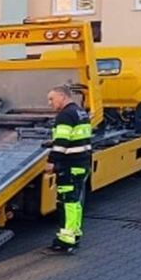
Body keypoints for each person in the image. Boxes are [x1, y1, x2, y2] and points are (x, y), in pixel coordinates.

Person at [44, 84, 93, 256]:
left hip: (70, 165)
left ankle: (66, 240)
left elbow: (62, 143)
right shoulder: (80, 112)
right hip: (81, 163)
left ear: (62, 97)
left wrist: (51, 162)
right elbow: (76, 137)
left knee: (66, 203)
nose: (50, 103)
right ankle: (75, 233)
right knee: (74, 201)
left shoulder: (65, 115)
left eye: (52, 99)